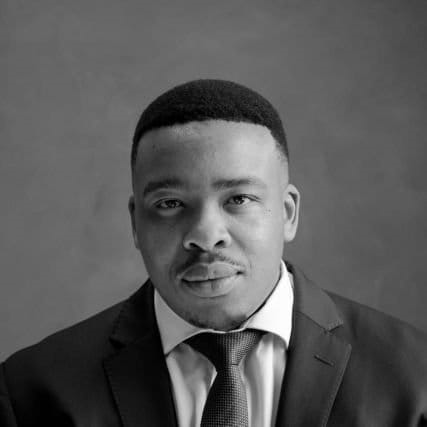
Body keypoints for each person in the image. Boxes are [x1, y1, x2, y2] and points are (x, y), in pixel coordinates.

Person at [1, 79, 426, 427]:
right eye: (169, 203)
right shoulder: (30, 393)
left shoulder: (415, 377)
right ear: (135, 224)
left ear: (288, 213)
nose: (205, 236)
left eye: (238, 199)